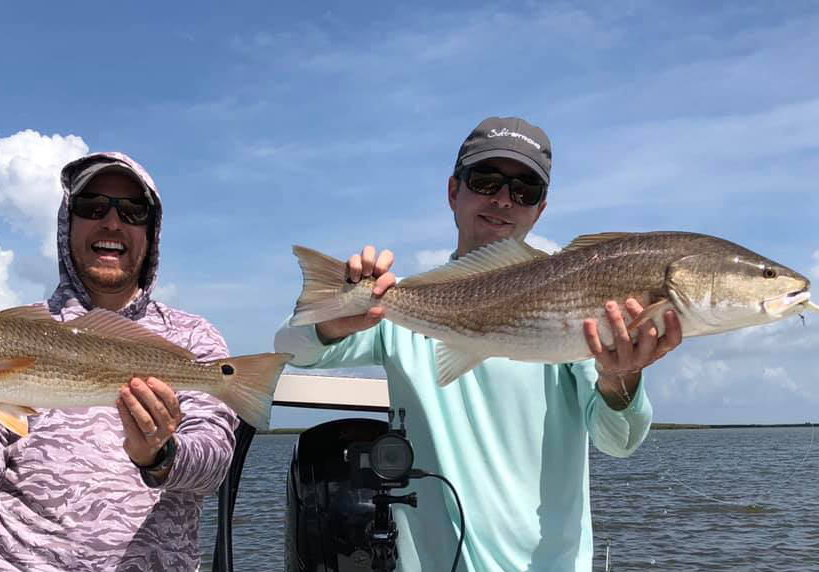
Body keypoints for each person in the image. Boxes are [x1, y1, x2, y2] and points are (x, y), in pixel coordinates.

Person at [274, 117, 684, 572]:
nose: (504, 199)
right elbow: (293, 348)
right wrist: (336, 315)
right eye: (486, 180)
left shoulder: (580, 306)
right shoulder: (396, 304)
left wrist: (621, 377)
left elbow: (619, 440)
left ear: (539, 209)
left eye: (525, 189)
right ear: (454, 191)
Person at [0, 152, 238, 571]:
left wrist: (160, 455)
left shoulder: (193, 338)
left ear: (152, 231)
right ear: (67, 222)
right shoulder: (8, 333)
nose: (112, 222)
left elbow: (214, 466)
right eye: (92, 207)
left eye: (133, 211)